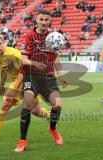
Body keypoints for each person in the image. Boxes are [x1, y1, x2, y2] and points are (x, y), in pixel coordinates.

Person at [14, 10, 68, 152]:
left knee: (57, 105)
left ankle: (52, 129)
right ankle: (22, 141)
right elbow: (23, 58)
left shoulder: (53, 37)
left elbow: (55, 57)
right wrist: (34, 63)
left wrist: (60, 74)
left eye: (46, 20)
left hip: (47, 76)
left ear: (49, 21)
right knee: (28, 104)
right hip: (30, 75)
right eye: (41, 19)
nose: (44, 22)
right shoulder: (30, 36)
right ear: (36, 20)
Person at [0, 35, 50, 144]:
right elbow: (3, 71)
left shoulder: (13, 54)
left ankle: (48, 115)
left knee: (35, 111)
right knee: (5, 105)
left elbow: (23, 72)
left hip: (28, 78)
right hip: (15, 82)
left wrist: (14, 89)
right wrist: (1, 85)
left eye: (0, 44)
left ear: (3, 43)